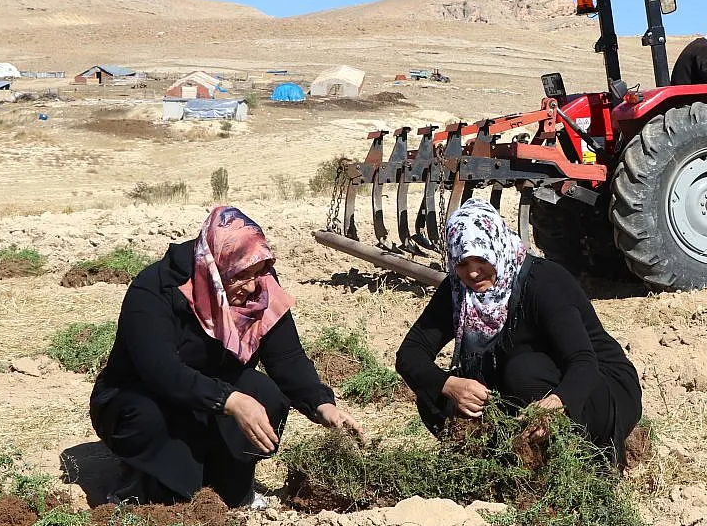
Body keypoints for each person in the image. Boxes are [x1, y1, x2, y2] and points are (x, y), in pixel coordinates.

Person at [90, 206, 365, 508]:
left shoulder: (260, 285)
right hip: (141, 393)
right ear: (213, 267)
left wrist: (322, 405)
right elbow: (160, 370)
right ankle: (143, 484)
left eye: (257, 272)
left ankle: (229, 486)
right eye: (240, 276)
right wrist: (231, 400)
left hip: (212, 392)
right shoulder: (156, 288)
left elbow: (287, 358)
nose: (251, 286)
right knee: (158, 447)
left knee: (267, 398)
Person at [395, 199, 642, 467]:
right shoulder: (458, 291)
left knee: (523, 371)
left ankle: (572, 460)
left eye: (481, 259)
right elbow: (410, 354)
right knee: (433, 392)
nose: (473, 272)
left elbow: (584, 361)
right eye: (463, 263)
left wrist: (558, 402)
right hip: (526, 388)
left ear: (497, 248)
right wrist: (449, 385)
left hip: (597, 387)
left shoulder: (544, 282)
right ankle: (496, 464)